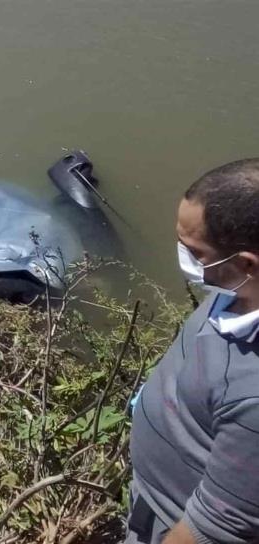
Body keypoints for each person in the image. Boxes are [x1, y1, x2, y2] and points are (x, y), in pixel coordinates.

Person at [127, 158, 259, 544]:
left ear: (246, 263)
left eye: (194, 251)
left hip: (171, 523)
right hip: (153, 496)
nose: (185, 258)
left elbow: (214, 529)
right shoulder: (237, 289)